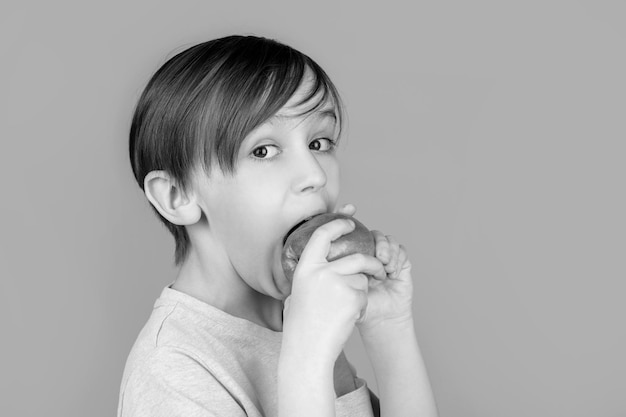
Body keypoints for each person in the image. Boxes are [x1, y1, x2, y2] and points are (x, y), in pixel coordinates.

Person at [118, 35, 438, 417]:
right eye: (263, 151)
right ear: (177, 196)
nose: (314, 175)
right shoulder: (172, 369)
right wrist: (306, 359)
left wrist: (391, 329)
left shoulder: (297, 319)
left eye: (319, 143)